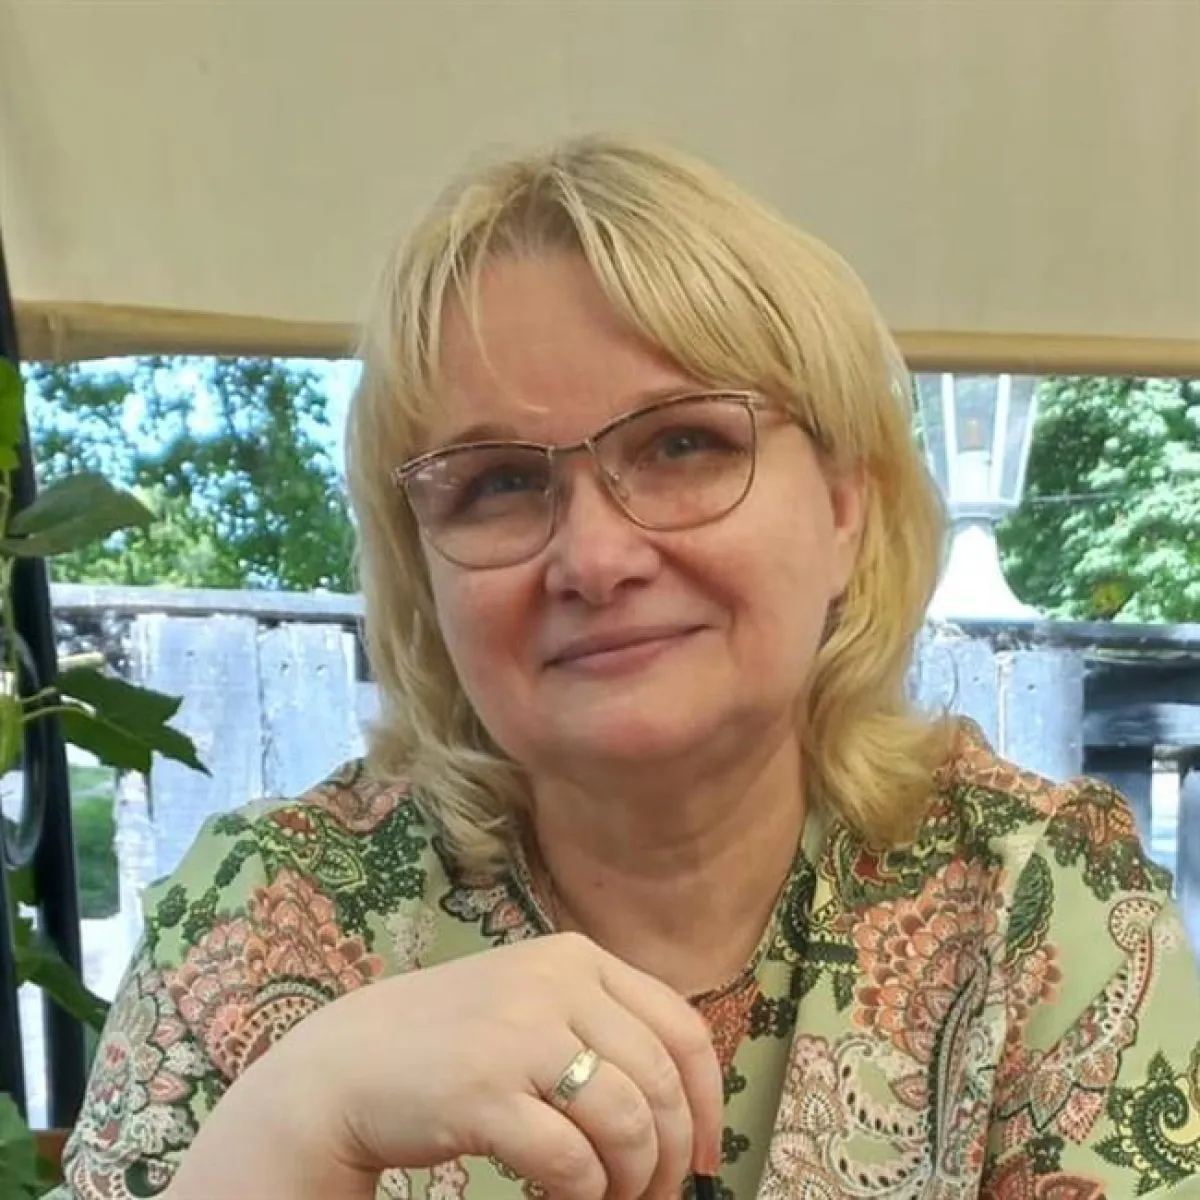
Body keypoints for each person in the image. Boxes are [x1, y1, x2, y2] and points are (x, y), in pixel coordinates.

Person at [49, 136, 1199, 1200]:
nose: (595, 559)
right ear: (421, 571)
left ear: (847, 506)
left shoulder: (1035, 905)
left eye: (683, 443)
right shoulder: (261, 915)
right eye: (499, 481)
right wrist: (298, 1123)